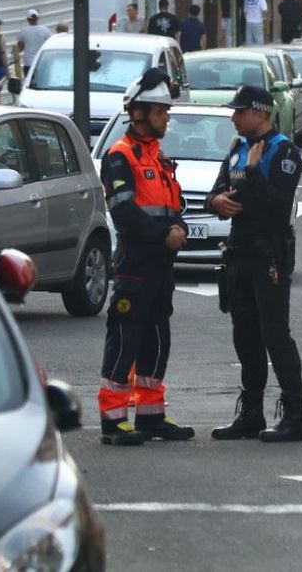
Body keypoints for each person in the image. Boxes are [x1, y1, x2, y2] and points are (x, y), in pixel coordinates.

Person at [96, 69, 193, 445]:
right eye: (161, 110)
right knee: (125, 340)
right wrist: (164, 235)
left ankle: (151, 416)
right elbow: (124, 212)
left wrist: (179, 226)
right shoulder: (120, 157)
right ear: (139, 113)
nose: (167, 116)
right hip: (135, 267)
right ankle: (113, 419)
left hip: (161, 268)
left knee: (156, 340)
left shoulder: (159, 158)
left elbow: (171, 205)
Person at [209, 84, 302, 442]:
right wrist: (216, 202)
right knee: (245, 337)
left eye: (240, 111)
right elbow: (216, 192)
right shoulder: (237, 149)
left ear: (260, 113)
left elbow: (280, 208)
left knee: (275, 335)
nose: (234, 117)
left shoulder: (283, 152)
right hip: (239, 254)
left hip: (269, 256)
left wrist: (253, 174)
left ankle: (295, 416)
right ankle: (251, 413)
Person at [15, 10, 52, 76]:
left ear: (28, 19)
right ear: (38, 18)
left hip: (29, 63)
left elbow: (20, 48)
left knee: (29, 84)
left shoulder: (23, 31)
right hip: (42, 62)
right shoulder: (45, 30)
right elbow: (50, 44)